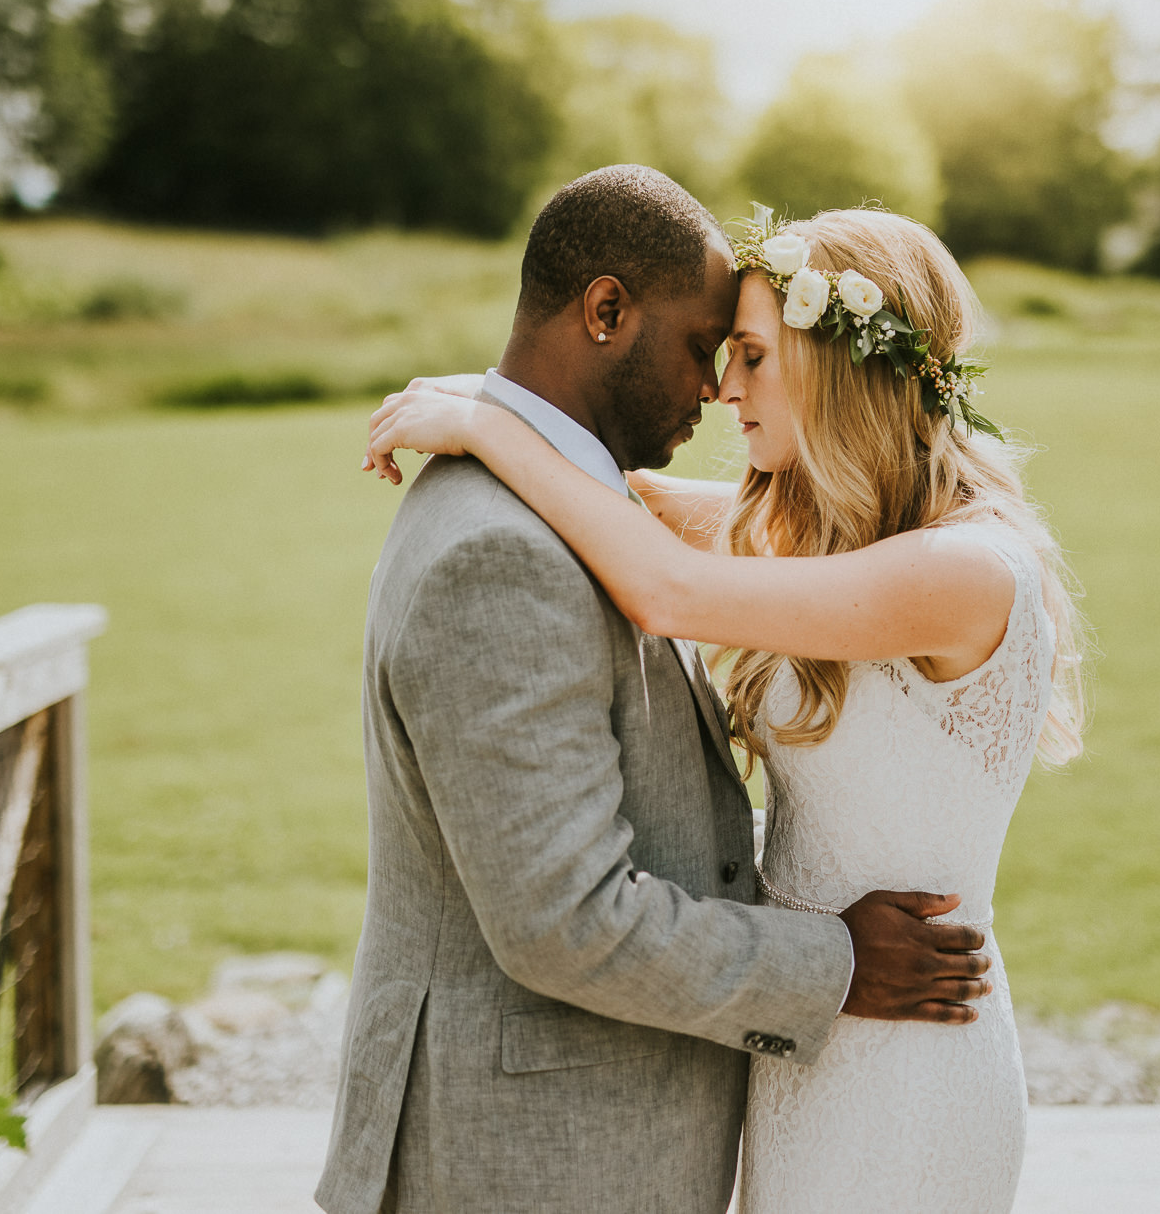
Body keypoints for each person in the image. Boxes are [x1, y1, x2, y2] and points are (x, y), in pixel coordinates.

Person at [363, 201, 1086, 1213]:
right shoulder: (829, 539)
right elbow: (635, 503)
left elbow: (664, 586)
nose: (721, 385)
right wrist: (501, 405)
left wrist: (488, 424)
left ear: (838, 366)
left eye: (750, 354)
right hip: (812, 1041)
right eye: (719, 351)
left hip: (907, 1050)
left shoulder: (960, 569)